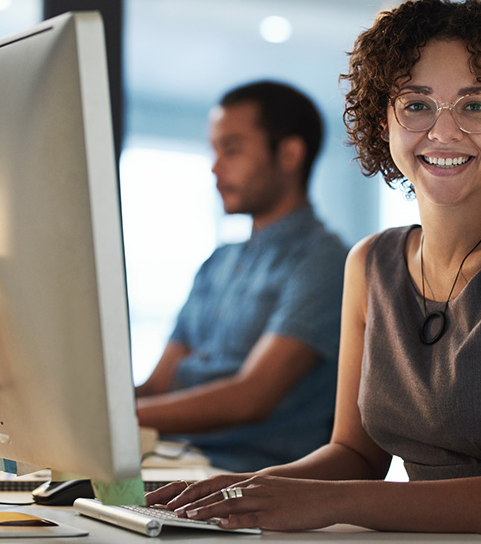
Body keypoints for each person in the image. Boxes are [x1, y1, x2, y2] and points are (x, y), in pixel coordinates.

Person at [147, 0, 481, 544]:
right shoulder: (370, 264)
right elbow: (356, 454)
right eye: (417, 105)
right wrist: (243, 490)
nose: (444, 132)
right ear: (382, 117)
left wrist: (328, 502)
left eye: (475, 106)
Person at [134, 80, 348, 473]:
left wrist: (118, 421)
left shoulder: (327, 262)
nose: (215, 167)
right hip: (169, 460)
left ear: (289, 154)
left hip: (247, 477)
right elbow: (158, 384)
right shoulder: (219, 261)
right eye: (213, 151)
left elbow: (252, 397)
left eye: (231, 150)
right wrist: (79, 413)